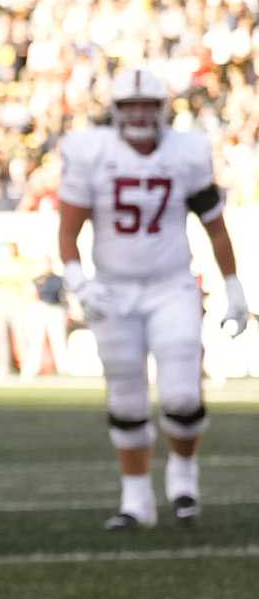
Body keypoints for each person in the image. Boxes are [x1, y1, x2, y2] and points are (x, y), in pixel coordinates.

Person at [57, 68, 247, 528]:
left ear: (162, 109)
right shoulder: (91, 152)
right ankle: (136, 501)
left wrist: (234, 286)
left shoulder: (187, 151)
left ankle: (184, 480)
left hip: (171, 285)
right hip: (113, 289)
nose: (139, 114)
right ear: (116, 111)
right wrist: (78, 278)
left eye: (147, 105)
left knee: (182, 395)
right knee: (126, 397)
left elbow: (214, 224)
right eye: (130, 106)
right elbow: (69, 227)